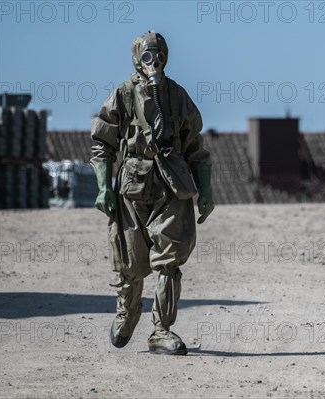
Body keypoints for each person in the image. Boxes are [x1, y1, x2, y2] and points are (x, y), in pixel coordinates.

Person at [91, 30, 214, 355]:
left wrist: (206, 190)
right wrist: (104, 187)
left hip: (171, 184)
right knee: (130, 262)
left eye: (159, 55)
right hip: (132, 186)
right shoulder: (123, 95)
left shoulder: (176, 96)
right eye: (148, 55)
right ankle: (127, 313)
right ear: (136, 58)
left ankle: (161, 329)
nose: (154, 62)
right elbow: (102, 144)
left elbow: (195, 147)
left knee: (169, 260)